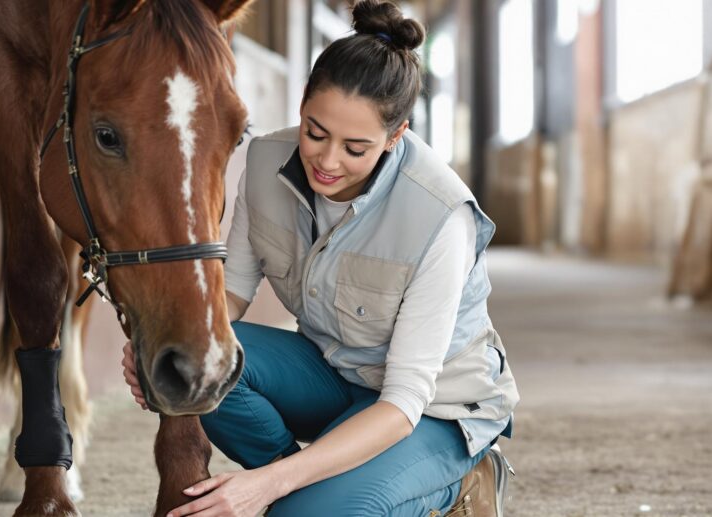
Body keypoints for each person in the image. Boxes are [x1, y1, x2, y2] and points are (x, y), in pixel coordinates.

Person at [122, 1, 519, 515]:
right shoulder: (266, 161)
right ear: (303, 105)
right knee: (210, 358)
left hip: (432, 410)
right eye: (314, 132)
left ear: (395, 136)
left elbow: (403, 401)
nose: (328, 161)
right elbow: (233, 294)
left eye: (356, 148)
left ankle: (458, 483)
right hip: (336, 372)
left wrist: (269, 485)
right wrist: (160, 342)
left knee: (297, 507)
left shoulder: (441, 215)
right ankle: (312, 490)